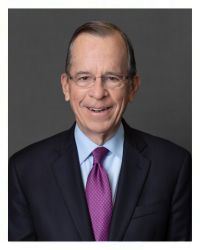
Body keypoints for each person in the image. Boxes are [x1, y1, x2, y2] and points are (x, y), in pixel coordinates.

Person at [8, 21, 191, 241]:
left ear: (133, 87)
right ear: (66, 86)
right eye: (84, 78)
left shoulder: (174, 166)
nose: (98, 92)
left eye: (112, 78)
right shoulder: (24, 171)